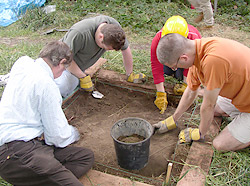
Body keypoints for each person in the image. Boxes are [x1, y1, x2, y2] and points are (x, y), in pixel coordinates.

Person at [0, 41, 94, 186]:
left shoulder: (22, 63)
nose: (61, 74)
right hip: (16, 153)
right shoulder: (47, 84)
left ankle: (44, 178)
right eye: (64, 69)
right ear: (62, 62)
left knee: (85, 157)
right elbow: (58, 137)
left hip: (29, 145)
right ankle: (48, 176)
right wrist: (74, 133)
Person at [154, 33, 250, 152]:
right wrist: (173, 119)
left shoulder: (213, 60)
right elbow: (190, 92)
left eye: (174, 67)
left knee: (220, 144)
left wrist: (200, 133)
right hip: (243, 93)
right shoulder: (197, 51)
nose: (175, 69)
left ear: (184, 58)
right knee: (215, 111)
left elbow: (209, 105)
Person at [55, 15, 146, 98]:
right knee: (63, 87)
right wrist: (82, 77)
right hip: (59, 63)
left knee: (74, 83)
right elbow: (64, 60)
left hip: (79, 66)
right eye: (105, 48)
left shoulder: (114, 29)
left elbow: (125, 49)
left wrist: (129, 74)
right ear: (101, 37)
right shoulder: (79, 33)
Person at [151, 15, 201, 114]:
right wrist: (160, 92)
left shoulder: (194, 38)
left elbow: (193, 63)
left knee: (179, 75)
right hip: (174, 58)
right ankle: (174, 68)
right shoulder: (158, 38)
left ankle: (180, 73)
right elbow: (156, 64)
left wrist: (186, 83)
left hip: (187, 61)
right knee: (167, 71)